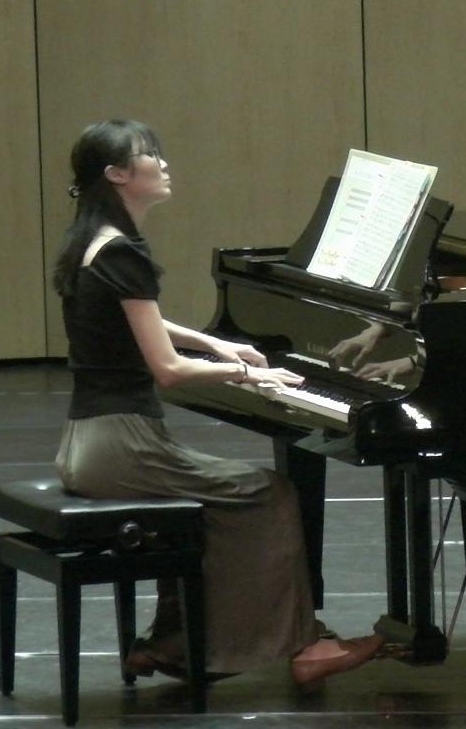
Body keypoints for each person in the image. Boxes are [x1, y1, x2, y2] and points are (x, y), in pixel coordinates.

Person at [50, 119, 383, 691]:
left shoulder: (93, 241)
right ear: (117, 175)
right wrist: (248, 374)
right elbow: (168, 371)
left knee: (212, 502)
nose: (163, 164)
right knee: (267, 494)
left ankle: (172, 641)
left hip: (88, 443)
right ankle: (306, 645)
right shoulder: (124, 253)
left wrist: (215, 344)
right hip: (124, 446)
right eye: (149, 155)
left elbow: (141, 322)